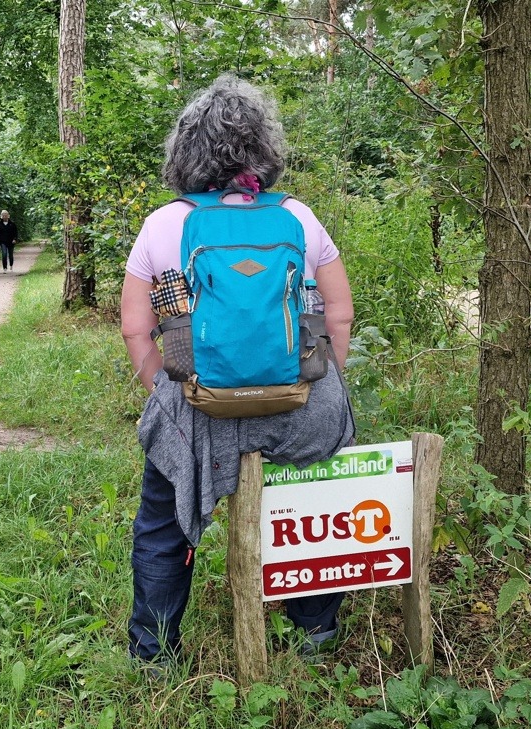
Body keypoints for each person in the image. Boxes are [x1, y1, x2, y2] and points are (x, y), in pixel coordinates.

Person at [120, 74, 356, 670]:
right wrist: (316, 381)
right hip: (301, 409)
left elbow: (135, 329)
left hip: (197, 407)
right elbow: (340, 314)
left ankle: (155, 654)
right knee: (313, 511)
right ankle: (316, 634)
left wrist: (165, 394)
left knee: (161, 526)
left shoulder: (163, 223)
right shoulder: (300, 217)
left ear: (185, 150)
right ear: (265, 149)